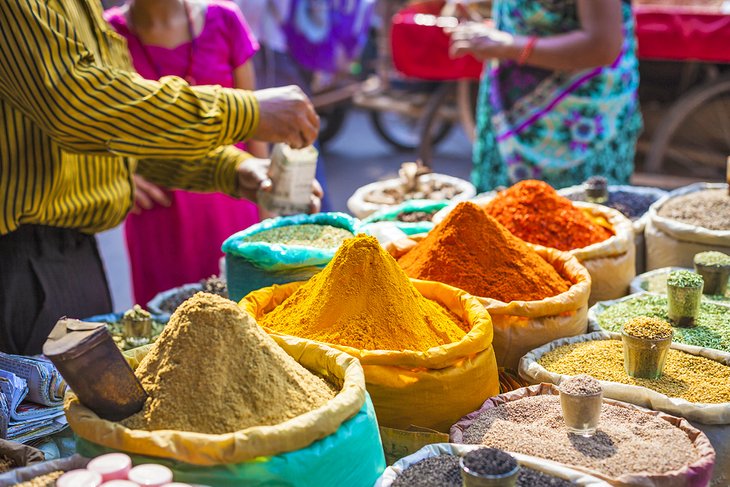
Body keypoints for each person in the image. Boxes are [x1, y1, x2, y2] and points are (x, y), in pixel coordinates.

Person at [0, 0, 321, 355]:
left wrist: (232, 168)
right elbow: (79, 105)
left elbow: (122, 137)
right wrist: (248, 111)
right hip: (23, 259)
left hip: (69, 255)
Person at [105, 0, 270, 305]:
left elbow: (256, 126)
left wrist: (269, 208)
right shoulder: (107, 34)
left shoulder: (225, 19)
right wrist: (117, 172)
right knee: (172, 326)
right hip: (159, 218)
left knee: (251, 313)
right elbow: (92, 123)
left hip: (234, 194)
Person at [450, 0, 642, 191]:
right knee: (498, 213)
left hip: (578, 127)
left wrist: (506, 45)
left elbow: (601, 45)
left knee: (578, 214)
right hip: (507, 117)